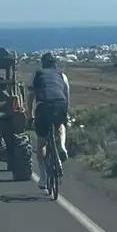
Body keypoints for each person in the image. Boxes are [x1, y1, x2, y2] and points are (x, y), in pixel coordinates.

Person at [26, 52, 70, 190]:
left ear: (43, 63)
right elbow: (66, 94)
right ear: (54, 63)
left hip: (43, 106)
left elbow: (30, 96)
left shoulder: (37, 74)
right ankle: (62, 146)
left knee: (41, 143)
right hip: (60, 104)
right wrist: (66, 113)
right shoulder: (62, 75)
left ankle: (43, 178)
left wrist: (29, 115)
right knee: (60, 125)